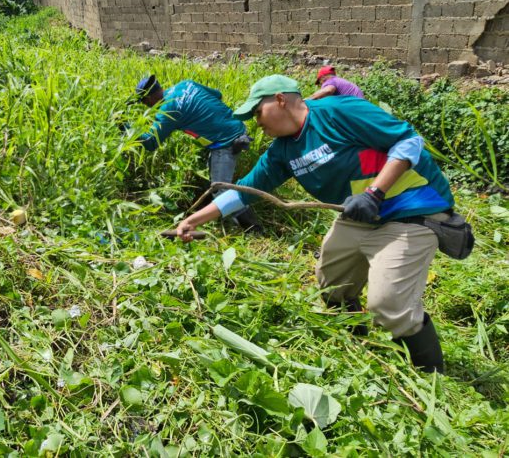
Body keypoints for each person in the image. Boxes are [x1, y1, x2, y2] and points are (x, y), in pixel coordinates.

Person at [175, 75, 456, 373]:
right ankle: (360, 349)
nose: (257, 122)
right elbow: (247, 190)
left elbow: (409, 140)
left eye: (257, 112)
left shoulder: (339, 111)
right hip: (360, 216)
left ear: (280, 99)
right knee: (333, 286)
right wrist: (194, 219)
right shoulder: (283, 150)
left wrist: (375, 193)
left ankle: (429, 376)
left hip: (410, 209)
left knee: (388, 304)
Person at [130, 75, 261, 232]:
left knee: (220, 191)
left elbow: (151, 143)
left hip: (226, 143)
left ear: (149, 98)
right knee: (215, 178)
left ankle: (253, 229)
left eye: (144, 103)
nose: (147, 107)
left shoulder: (168, 110)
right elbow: (218, 94)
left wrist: (128, 130)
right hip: (237, 128)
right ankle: (220, 215)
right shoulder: (185, 84)